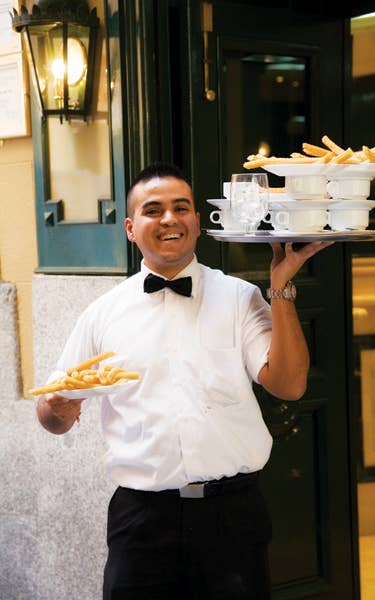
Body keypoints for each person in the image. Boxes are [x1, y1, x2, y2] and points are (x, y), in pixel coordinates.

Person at [37, 162, 333, 600]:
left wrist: (280, 285)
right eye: (153, 210)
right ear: (131, 228)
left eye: (182, 207)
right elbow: (52, 416)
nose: (170, 218)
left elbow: (288, 385)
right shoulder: (102, 314)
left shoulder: (238, 297)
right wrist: (58, 407)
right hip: (141, 521)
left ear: (197, 221)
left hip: (231, 517)